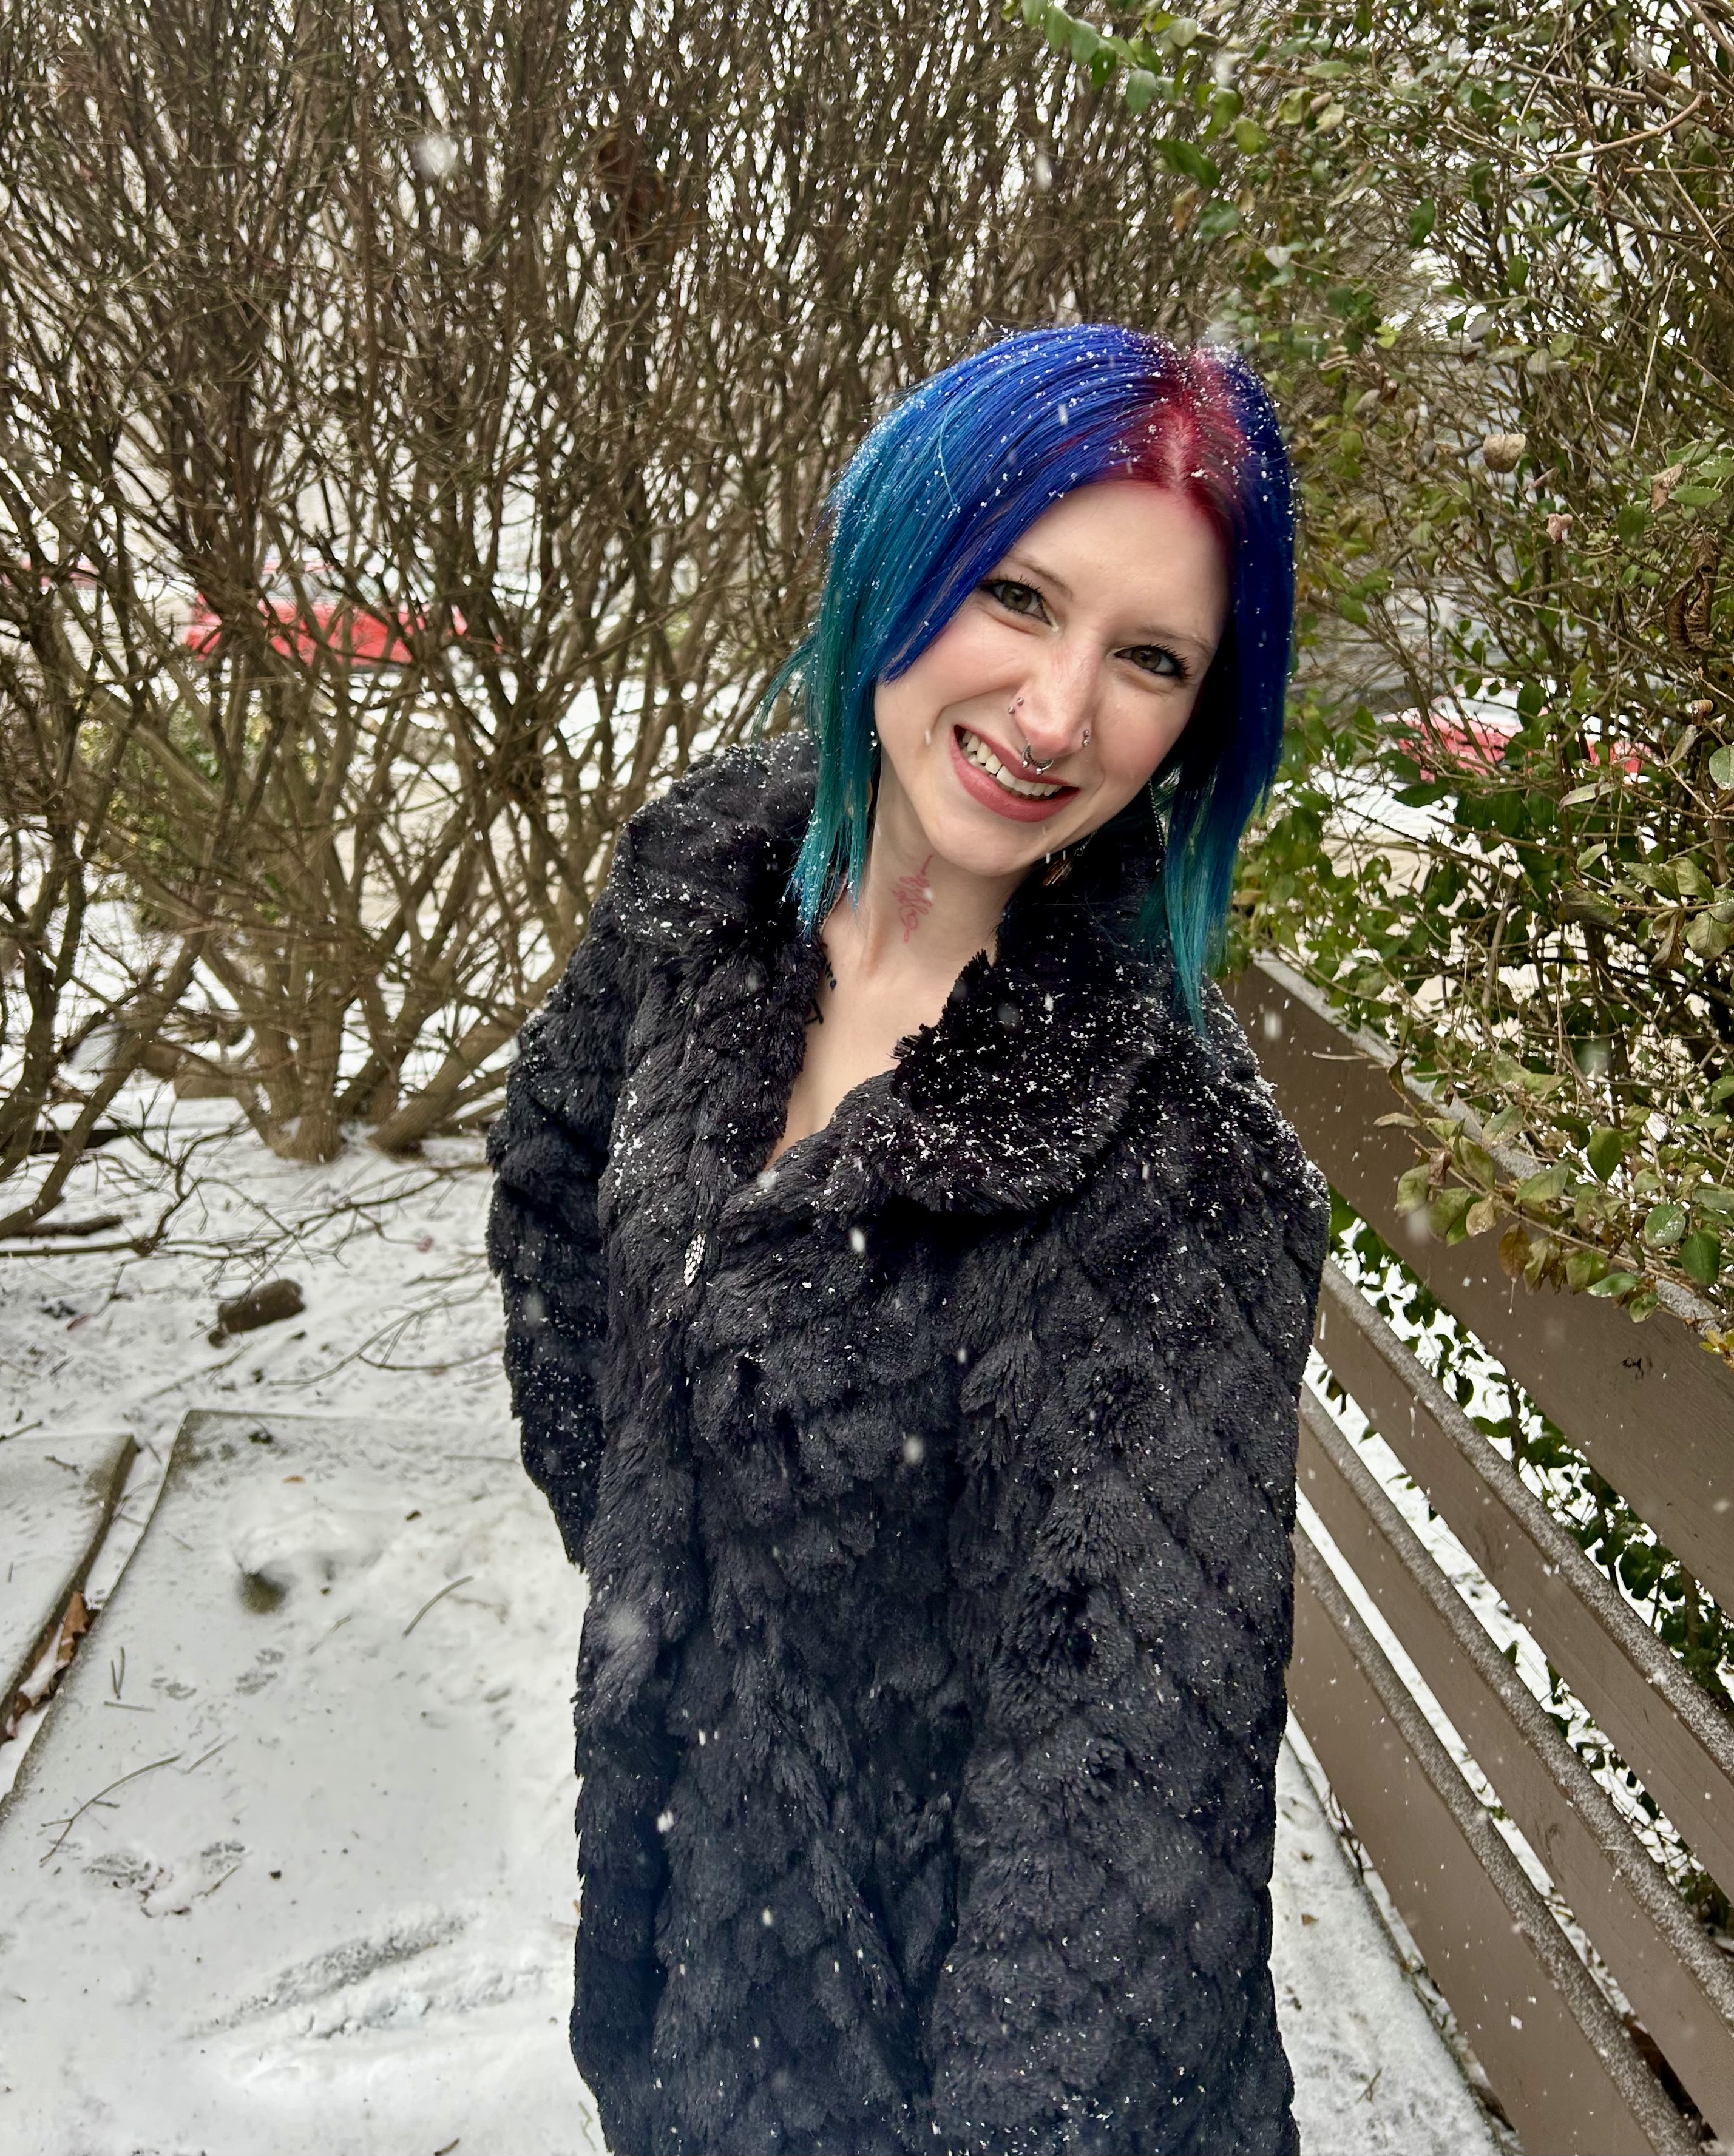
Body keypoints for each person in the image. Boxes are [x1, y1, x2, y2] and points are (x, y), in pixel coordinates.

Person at [487, 323, 1328, 2155]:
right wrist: (665, 1563)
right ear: (898, 555)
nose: (1056, 714)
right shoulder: (706, 890)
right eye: (1018, 596)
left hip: (928, 2069)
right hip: (688, 1948)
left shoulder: (1171, 1165)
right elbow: (551, 1193)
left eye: (1152, 659)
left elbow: (1120, 1850)